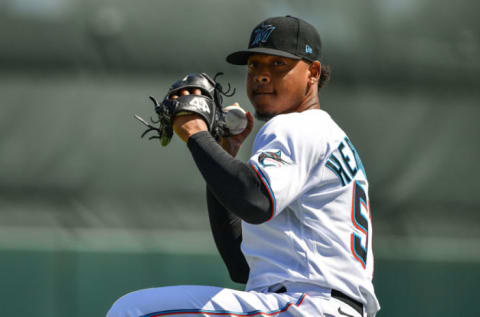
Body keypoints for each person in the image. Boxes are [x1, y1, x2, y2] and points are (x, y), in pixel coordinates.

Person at [107, 15, 380, 317]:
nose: (262, 75)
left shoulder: (296, 127)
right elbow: (241, 264)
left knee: (133, 310)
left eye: (278, 64)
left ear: (313, 72)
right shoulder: (325, 135)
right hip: (314, 304)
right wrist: (223, 154)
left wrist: (196, 133)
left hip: (306, 305)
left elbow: (254, 201)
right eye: (254, 65)